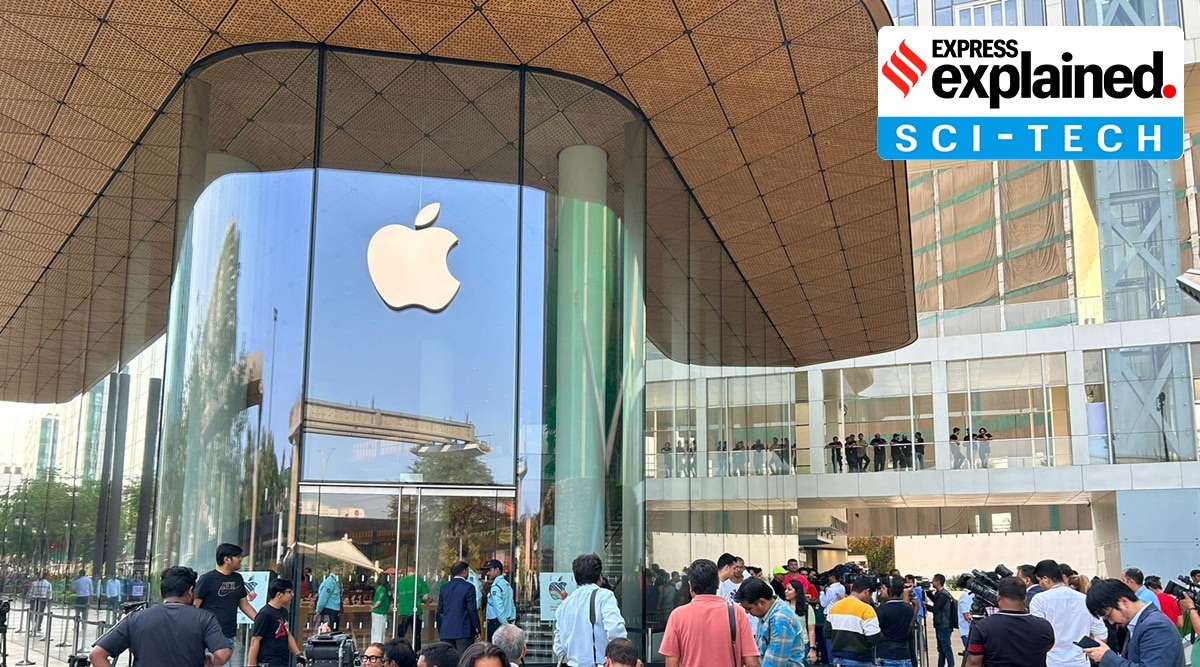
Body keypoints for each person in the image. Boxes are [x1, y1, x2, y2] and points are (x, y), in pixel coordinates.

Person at [88, 565, 231, 667]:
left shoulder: (136, 618)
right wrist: (211, 661)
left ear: (161, 593)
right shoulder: (204, 618)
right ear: (191, 591)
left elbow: (96, 655)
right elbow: (223, 654)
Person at [660, 558, 760, 667]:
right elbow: (752, 662)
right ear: (717, 583)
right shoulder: (737, 612)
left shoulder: (677, 616)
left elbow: (671, 663)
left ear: (691, 586)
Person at [1082, 578, 1185, 667]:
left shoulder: (1156, 626)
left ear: (1123, 602)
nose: (1111, 622)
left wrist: (1107, 657)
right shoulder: (1139, 624)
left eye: (1109, 615)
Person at [1028, 560, 1106, 667]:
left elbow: (1037, 635)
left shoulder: (1040, 600)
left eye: (1039, 580)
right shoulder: (1085, 599)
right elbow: (1102, 635)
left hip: (1051, 662)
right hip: (1080, 662)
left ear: (1046, 579)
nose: (1040, 585)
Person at [554, 554, 627, 667]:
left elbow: (559, 647)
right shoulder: (604, 596)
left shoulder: (564, 605)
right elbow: (615, 630)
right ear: (600, 576)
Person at [965, 576, 1054, 667]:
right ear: (1025, 599)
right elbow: (1048, 646)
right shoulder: (1044, 626)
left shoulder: (983, 627)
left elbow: (974, 662)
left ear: (998, 598)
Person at [194, 543, 257, 652]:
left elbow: (245, 605)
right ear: (227, 559)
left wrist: (260, 621)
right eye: (237, 556)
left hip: (229, 635)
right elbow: (194, 607)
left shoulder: (238, 578)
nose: (241, 559)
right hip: (210, 635)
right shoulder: (207, 579)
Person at [735, 577, 808, 667]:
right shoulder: (768, 612)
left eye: (749, 608)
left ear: (762, 602)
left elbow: (774, 663)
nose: (747, 612)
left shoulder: (781, 620)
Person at [825, 575, 882, 667]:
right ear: (866, 592)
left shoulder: (835, 607)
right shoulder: (866, 609)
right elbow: (874, 638)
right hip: (860, 659)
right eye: (870, 595)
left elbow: (827, 633)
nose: (869, 598)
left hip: (838, 659)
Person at [247, 578, 305, 667]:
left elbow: (287, 634)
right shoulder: (265, 614)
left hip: (283, 659)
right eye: (289, 592)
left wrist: (298, 654)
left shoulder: (284, 611)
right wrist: (251, 664)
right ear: (279, 594)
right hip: (268, 660)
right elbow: (255, 640)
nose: (292, 595)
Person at [438, 561, 481, 652]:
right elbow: (472, 610)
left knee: (449, 660)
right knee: (463, 661)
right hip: (463, 631)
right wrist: (477, 629)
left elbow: (440, 610)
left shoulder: (444, 588)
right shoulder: (469, 587)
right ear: (464, 571)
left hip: (446, 631)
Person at [877, 576, 915, 667]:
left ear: (890, 591)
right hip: (904, 654)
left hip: (887, 654)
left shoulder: (882, 610)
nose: (880, 591)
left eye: (883, 588)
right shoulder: (909, 608)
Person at [926, 574, 956, 667]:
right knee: (941, 648)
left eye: (933, 581)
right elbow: (937, 602)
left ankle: (951, 665)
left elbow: (935, 608)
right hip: (942, 624)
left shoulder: (942, 595)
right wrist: (929, 594)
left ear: (938, 582)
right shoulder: (942, 593)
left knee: (945, 648)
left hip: (943, 625)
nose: (932, 583)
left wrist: (925, 605)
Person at [397, 567, 431, 645]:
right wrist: (424, 600)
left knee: (400, 635)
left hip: (402, 611)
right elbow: (425, 597)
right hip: (416, 610)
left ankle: (399, 650)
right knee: (416, 635)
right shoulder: (419, 581)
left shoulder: (401, 581)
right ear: (415, 571)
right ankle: (416, 653)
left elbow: (395, 596)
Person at [785, 579, 817, 661]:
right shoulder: (783, 606)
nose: (786, 591)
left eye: (789, 589)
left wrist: (812, 648)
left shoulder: (806, 608)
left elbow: (811, 630)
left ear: (797, 592)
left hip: (802, 645)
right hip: (785, 644)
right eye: (786, 589)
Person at [484, 560, 516, 641]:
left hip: (497, 623)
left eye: (490, 570)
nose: (487, 573)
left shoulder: (496, 586)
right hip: (506, 621)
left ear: (497, 570)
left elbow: (499, 608)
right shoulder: (507, 585)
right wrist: (511, 623)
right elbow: (512, 606)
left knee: (494, 651)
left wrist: (505, 625)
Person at [27, 570, 51, 636]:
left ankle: (33, 626)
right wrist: (49, 601)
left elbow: (30, 592)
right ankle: (37, 627)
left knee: (33, 613)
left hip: (34, 600)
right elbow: (49, 594)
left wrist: (28, 599)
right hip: (43, 600)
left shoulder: (34, 583)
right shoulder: (48, 584)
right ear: (46, 576)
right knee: (40, 614)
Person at [372, 574, 393, 644]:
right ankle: (379, 644)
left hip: (378, 612)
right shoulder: (383, 589)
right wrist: (374, 606)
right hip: (380, 613)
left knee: (375, 630)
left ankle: (375, 643)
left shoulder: (378, 589)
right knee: (380, 630)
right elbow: (379, 601)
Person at [958, 588, 976, 660]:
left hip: (972, 633)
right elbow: (967, 617)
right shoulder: (966, 596)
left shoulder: (973, 596)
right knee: (971, 658)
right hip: (967, 633)